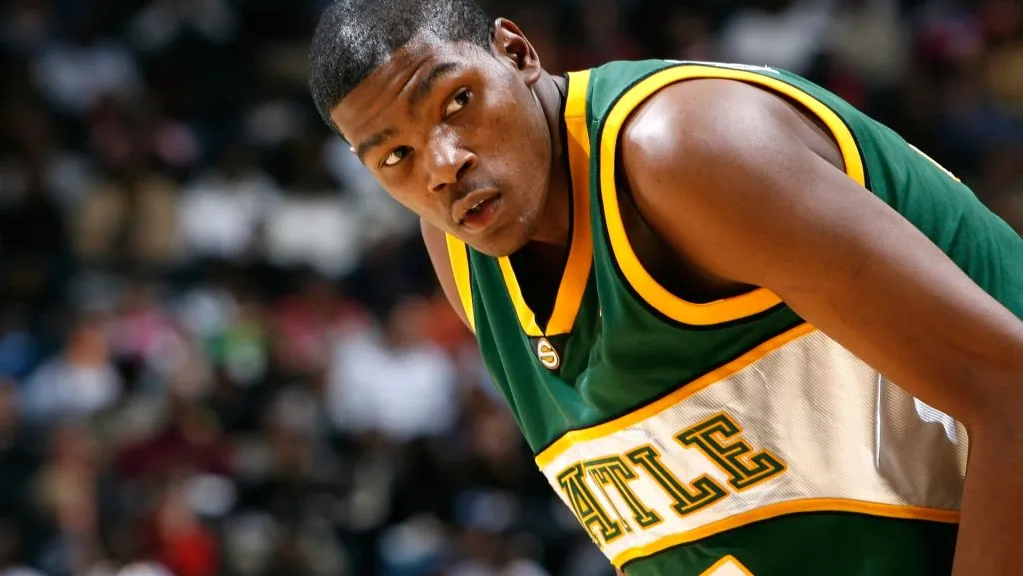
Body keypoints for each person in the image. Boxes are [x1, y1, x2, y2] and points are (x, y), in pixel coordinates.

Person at [306, 1, 1023, 574]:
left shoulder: (685, 153)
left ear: (517, 54)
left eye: (457, 102)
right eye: (394, 155)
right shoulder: (463, 255)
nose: (441, 165)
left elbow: (1011, 388)